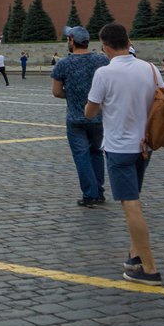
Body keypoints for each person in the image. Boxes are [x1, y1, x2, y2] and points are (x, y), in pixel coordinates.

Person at [84, 23, 164, 285]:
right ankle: (134, 255)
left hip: (119, 148)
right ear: (128, 41)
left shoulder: (104, 73)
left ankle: (149, 268)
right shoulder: (150, 69)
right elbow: (161, 102)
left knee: (131, 205)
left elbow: (91, 111)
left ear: (104, 47)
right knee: (135, 202)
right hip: (145, 146)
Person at [52, 26, 109, 207]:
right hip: (98, 118)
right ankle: (99, 192)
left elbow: (56, 92)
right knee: (97, 153)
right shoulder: (102, 60)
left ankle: (90, 194)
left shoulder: (63, 63)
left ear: (71, 40)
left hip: (76, 119)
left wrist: (72, 95)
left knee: (81, 156)